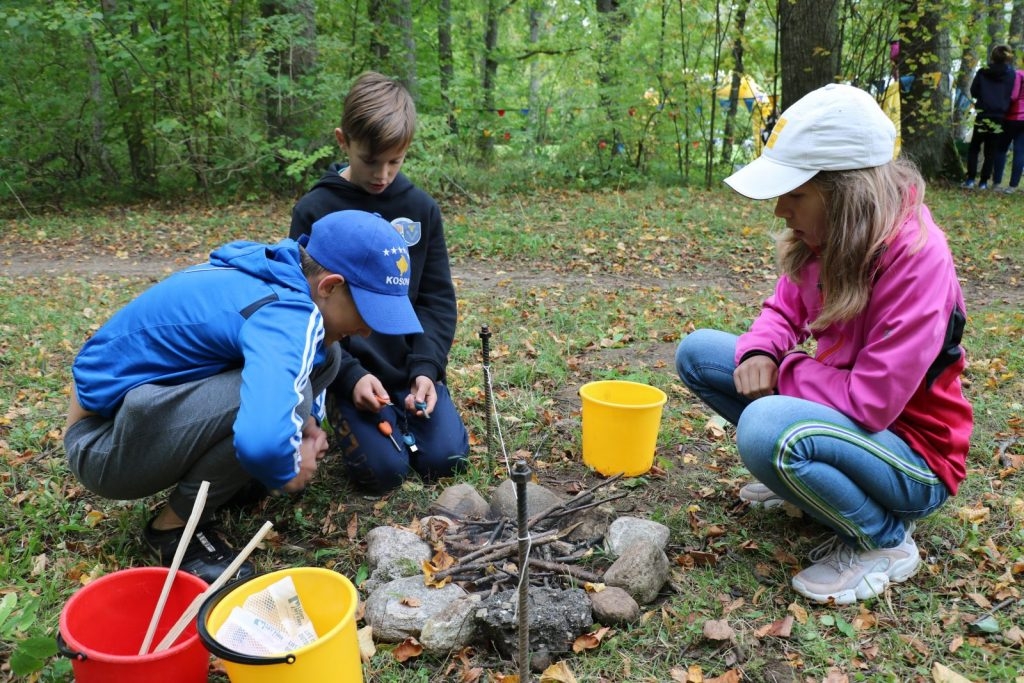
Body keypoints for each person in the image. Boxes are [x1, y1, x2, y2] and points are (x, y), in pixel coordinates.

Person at [675, 84, 973, 605]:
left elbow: (873, 402)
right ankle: (806, 479)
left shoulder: (918, 258)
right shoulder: (827, 238)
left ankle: (883, 541)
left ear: (844, 193)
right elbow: (782, 310)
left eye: (795, 194)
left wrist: (783, 373)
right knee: (699, 354)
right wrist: (761, 351)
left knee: (767, 429)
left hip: (913, 457)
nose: (780, 211)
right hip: (848, 421)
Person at [64, 210, 423, 583]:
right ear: (329, 286)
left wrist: (308, 424)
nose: (367, 330)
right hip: (100, 444)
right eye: (368, 311)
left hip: (132, 419)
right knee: (261, 412)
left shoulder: (282, 273)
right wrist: (288, 469)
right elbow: (264, 441)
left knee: (325, 358)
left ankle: (229, 483)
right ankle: (170, 534)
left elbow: (305, 373)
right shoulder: (289, 312)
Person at [290, 71, 469, 494]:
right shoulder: (315, 210)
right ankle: (347, 404)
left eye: (395, 161)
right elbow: (302, 305)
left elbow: (436, 299)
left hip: (409, 369)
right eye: (370, 160)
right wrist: (349, 377)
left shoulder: (421, 210)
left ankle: (419, 401)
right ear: (343, 140)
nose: (382, 174)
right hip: (347, 370)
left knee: (447, 460)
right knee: (384, 473)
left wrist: (426, 369)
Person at [963, 44, 1016, 190]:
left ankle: (970, 179)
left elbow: (973, 91)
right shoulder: (1011, 74)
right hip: (999, 116)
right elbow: (1012, 94)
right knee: (991, 150)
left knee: (974, 147)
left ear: (992, 56)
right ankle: (984, 182)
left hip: (983, 113)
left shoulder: (983, 71)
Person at [997, 63, 1024, 193]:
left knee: (1002, 148)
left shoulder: (1019, 74)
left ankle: (996, 182)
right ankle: (1013, 186)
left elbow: (1013, 96)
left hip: (1013, 117)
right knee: (1020, 152)